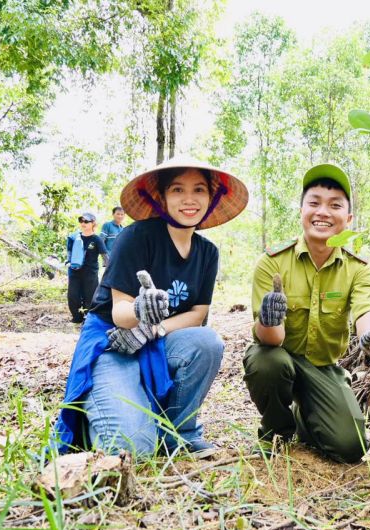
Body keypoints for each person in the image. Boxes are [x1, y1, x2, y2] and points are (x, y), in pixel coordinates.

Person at [53, 157, 248, 457]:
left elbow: (198, 315)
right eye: (177, 190)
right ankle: (110, 412)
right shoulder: (136, 237)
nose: (189, 199)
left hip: (156, 340)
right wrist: (139, 313)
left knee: (207, 343)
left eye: (199, 189)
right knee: (133, 448)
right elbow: (119, 311)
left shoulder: (207, 252)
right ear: (161, 198)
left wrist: (153, 329)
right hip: (113, 342)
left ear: (211, 198)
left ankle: (178, 432)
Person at [243, 163, 370, 463]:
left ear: (348, 218)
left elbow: (366, 309)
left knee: (351, 447)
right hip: (278, 355)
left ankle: (304, 415)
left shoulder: (358, 268)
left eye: (334, 205)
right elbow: (270, 339)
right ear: (301, 211)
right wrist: (269, 320)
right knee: (266, 361)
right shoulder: (272, 263)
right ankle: (276, 430)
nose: (322, 212)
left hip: (323, 368)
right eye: (314, 203)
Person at [66, 213, 109, 323]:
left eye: (86, 221)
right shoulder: (74, 237)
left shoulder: (96, 239)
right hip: (74, 271)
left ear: (93, 223)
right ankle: (76, 317)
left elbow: (105, 256)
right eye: (81, 221)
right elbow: (69, 253)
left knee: (90, 296)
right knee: (73, 295)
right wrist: (68, 263)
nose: (83, 223)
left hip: (90, 273)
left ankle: (88, 318)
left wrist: (109, 270)